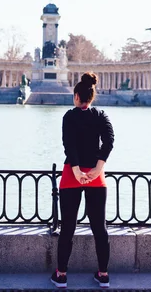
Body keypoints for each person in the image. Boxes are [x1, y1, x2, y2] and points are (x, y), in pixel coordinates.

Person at [51, 72, 115, 289]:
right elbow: (109, 140)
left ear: (77, 96)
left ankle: (61, 275)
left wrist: (77, 170)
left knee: (68, 226)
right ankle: (103, 274)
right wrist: (98, 167)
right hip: (96, 176)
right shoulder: (101, 116)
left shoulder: (69, 117)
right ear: (92, 96)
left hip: (72, 173)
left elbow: (68, 144)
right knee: (99, 227)